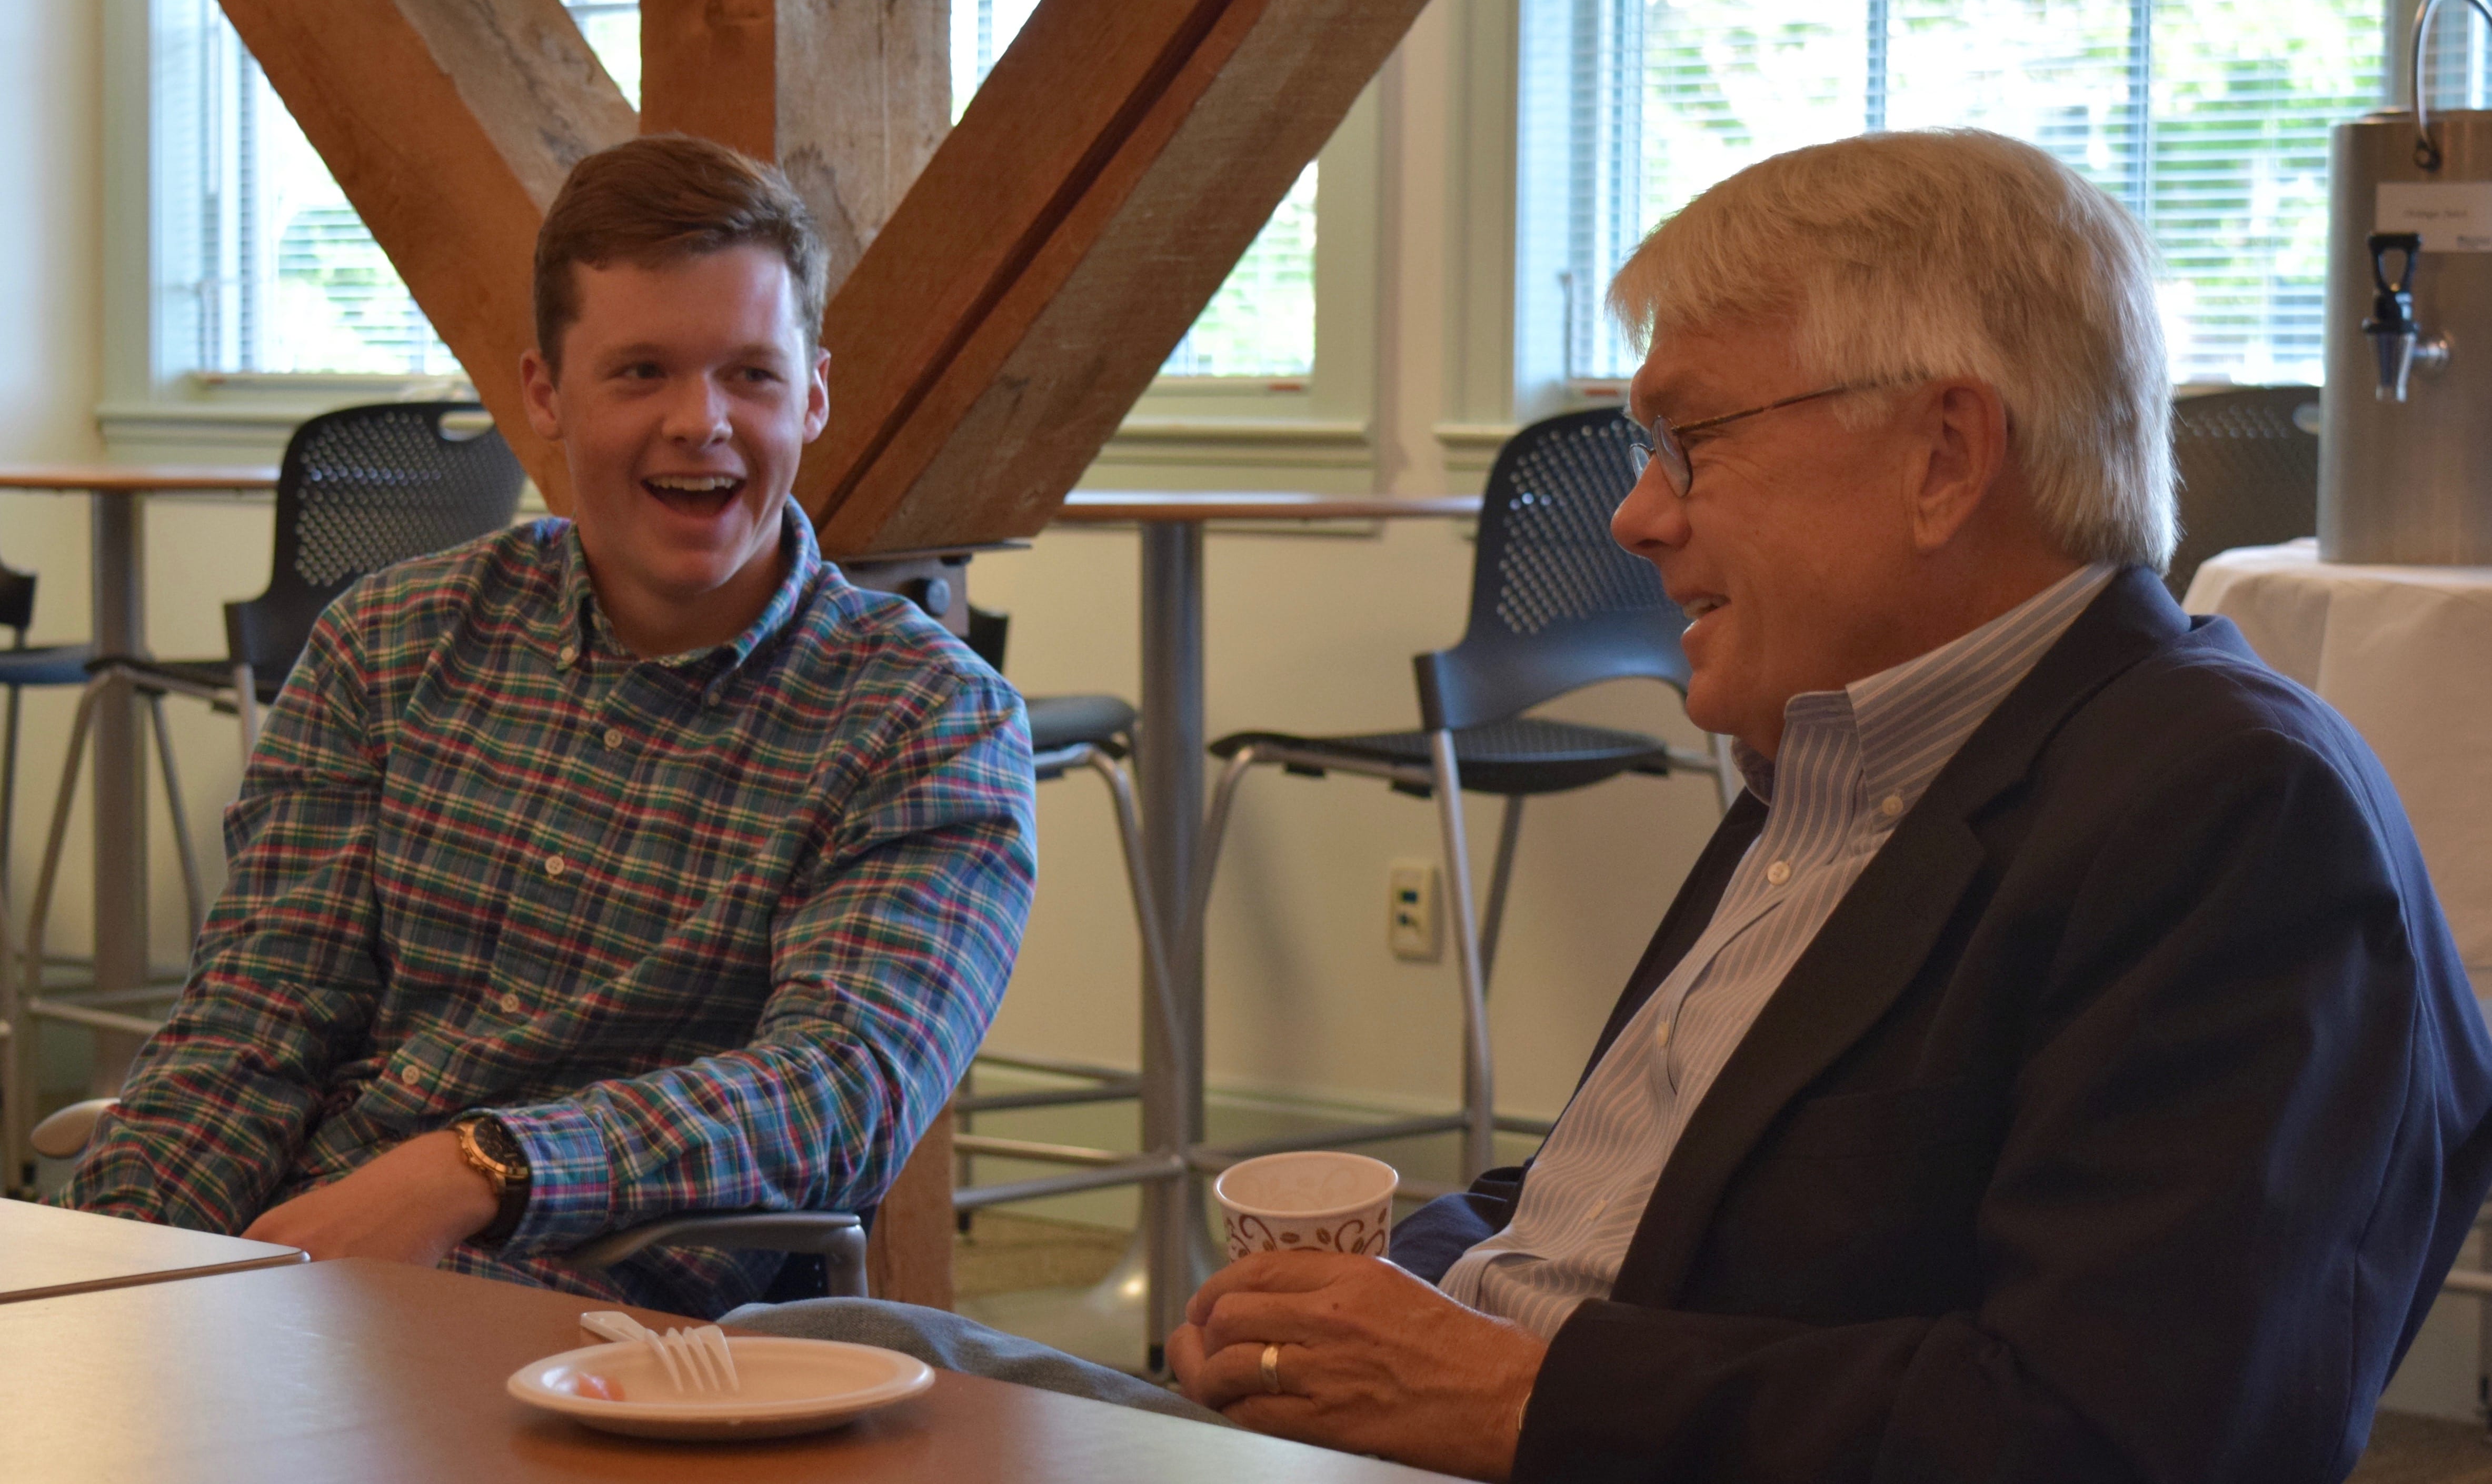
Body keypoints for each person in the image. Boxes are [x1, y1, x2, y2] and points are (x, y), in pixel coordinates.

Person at [743, 127, 2492, 1484]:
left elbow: (2131, 1440)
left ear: (1944, 455)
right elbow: (1620, 1200)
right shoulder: (1841, 765)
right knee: (777, 1358)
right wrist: (1386, 1291)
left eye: (1687, 442)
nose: (1637, 520)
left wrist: (1508, 1390)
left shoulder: (2227, 816)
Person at [60, 134, 1037, 1320]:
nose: (702, 423)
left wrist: (474, 1169)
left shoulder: (923, 718)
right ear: (544, 392)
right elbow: (254, 1028)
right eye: (640, 373)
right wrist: (98, 1275)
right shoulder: (392, 641)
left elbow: (839, 1093)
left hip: (609, 1342)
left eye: (751, 375)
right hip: (287, 1287)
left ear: (814, 393)